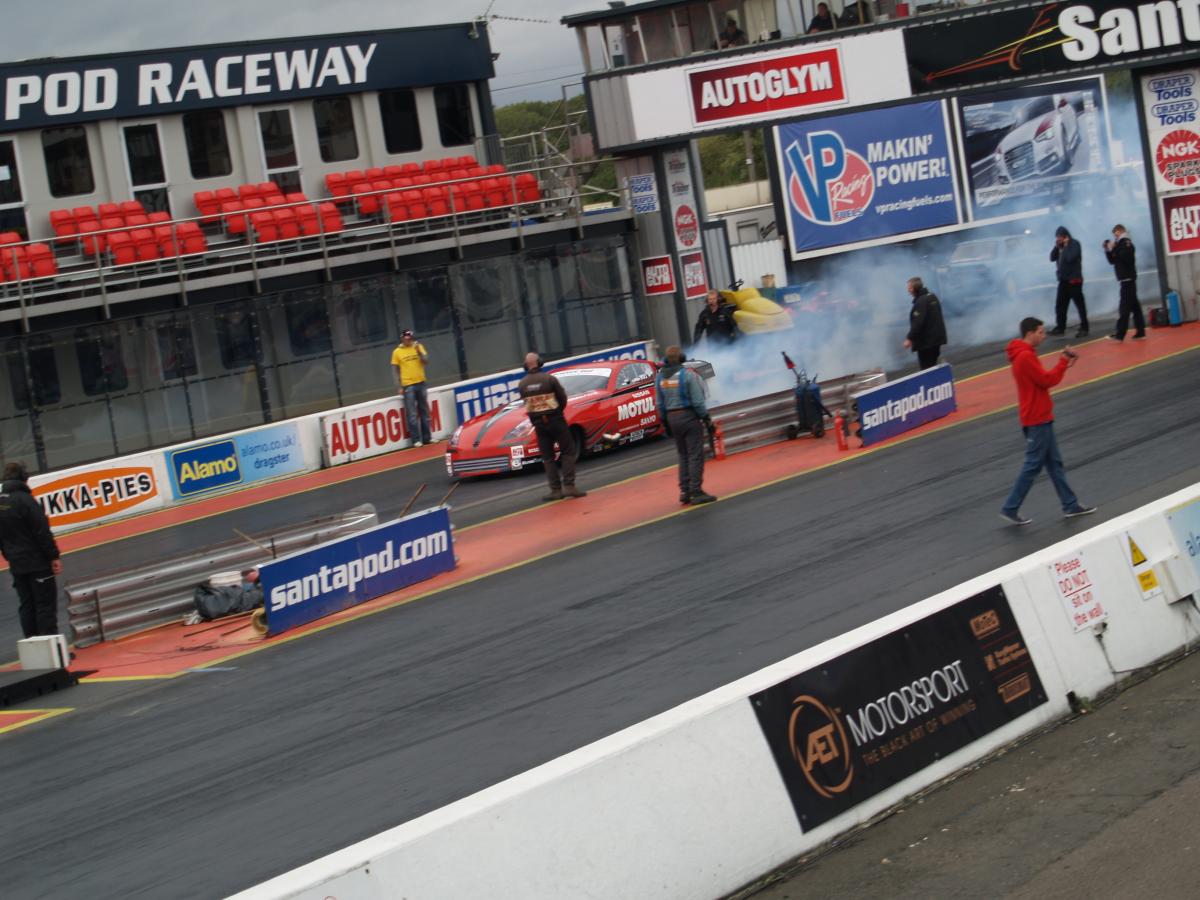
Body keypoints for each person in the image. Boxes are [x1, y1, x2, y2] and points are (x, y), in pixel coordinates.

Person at [999, 318, 1096, 526]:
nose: (1043, 336)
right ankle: (1010, 507)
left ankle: (1070, 504)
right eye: (1040, 332)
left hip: (1038, 415)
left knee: (1054, 464)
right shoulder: (1025, 356)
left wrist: (1063, 361)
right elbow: (1046, 380)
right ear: (1030, 333)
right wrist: (1063, 361)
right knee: (1033, 465)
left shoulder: (1022, 354)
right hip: (1037, 418)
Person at [0, 461, 63, 638]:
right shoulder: (26, 500)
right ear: (24, 479)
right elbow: (42, 531)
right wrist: (54, 556)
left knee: (27, 605)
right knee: (45, 605)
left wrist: (9, 555)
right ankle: (50, 648)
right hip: (37, 563)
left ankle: (31, 645)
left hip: (16, 563)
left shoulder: (1, 502)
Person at [516, 353, 586, 501]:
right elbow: (562, 398)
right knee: (568, 451)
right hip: (556, 420)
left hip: (538, 424)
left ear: (525, 366)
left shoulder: (522, 384)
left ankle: (555, 490)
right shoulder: (549, 379)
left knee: (548, 457)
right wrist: (557, 412)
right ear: (540, 362)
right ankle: (569, 486)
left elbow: (526, 404)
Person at [656, 346, 716, 505]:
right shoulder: (688, 375)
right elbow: (698, 402)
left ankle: (685, 491)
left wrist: (665, 423)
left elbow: (659, 404)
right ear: (681, 358)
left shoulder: (660, 378)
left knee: (682, 455)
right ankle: (696, 491)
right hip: (688, 417)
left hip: (671, 418)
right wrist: (706, 419)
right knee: (695, 454)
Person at [1104, 224, 1146, 342]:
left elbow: (1126, 258)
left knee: (1124, 308)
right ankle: (1141, 332)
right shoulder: (1120, 245)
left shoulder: (1126, 243)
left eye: (1116, 234)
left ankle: (1120, 334)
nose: (1115, 237)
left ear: (1120, 231)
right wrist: (1108, 249)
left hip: (1128, 279)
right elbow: (1112, 261)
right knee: (1135, 307)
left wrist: (1114, 248)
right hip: (1125, 279)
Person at [391, 329, 432, 446]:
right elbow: (395, 371)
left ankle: (427, 438)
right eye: (406, 339)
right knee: (412, 414)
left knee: (424, 411)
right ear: (402, 339)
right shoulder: (397, 352)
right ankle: (416, 440)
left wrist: (419, 351)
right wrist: (399, 386)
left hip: (421, 382)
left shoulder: (418, 346)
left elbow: (426, 361)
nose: (408, 341)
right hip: (408, 385)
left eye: (410, 338)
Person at [1049, 226, 1088, 338]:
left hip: (1074, 280)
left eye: (1060, 237)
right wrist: (1057, 247)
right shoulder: (1059, 246)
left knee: (1079, 305)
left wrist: (1065, 246)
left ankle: (1084, 327)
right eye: (1057, 237)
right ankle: (1060, 327)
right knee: (1060, 305)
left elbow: (1071, 258)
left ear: (1066, 236)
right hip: (1063, 280)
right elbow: (1052, 258)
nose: (1058, 239)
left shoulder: (1074, 244)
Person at [902, 277, 947, 370]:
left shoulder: (920, 302)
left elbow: (918, 323)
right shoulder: (932, 297)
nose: (908, 290)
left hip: (926, 343)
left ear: (913, 289)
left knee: (927, 369)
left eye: (909, 288)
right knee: (932, 366)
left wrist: (909, 338)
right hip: (936, 340)